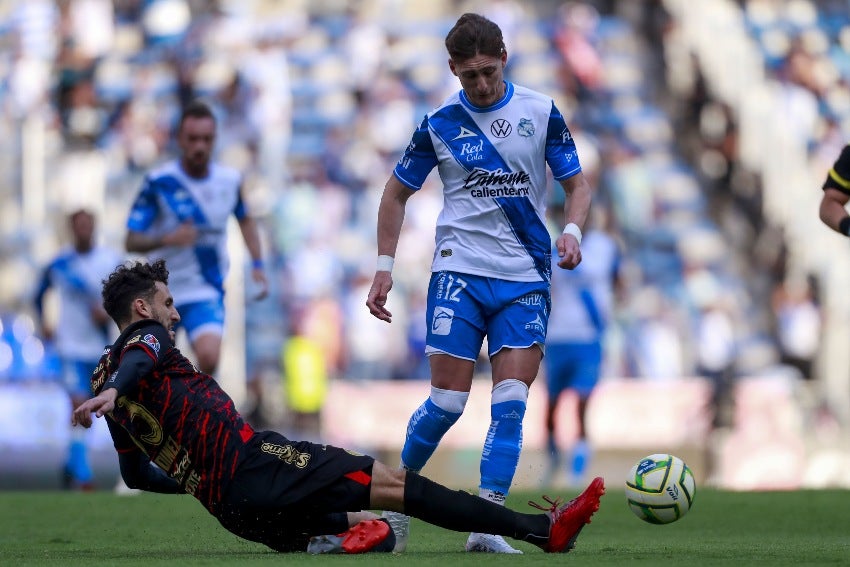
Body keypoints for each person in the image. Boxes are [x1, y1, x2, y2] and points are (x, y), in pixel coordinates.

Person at [71, 260, 605, 554]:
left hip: (231, 511)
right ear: (141, 308)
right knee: (398, 486)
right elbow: (140, 358)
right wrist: (118, 388)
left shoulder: (103, 377)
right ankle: (539, 532)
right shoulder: (139, 347)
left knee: (372, 529)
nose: (175, 314)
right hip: (256, 462)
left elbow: (136, 475)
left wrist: (194, 479)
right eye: (167, 303)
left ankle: (345, 538)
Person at [365, 13, 593, 554]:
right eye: (470, 76)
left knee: (511, 401)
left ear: (504, 59)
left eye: (488, 72)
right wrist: (384, 266)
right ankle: (397, 505)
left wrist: (573, 231)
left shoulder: (539, 111)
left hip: (524, 277)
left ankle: (486, 523)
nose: (482, 85)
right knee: (446, 403)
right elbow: (395, 194)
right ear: (453, 71)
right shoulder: (440, 124)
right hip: (459, 273)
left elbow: (576, 185)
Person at [124, 99, 269, 380]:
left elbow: (246, 221)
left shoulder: (230, 181)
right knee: (158, 371)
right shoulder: (159, 182)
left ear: (215, 140)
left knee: (210, 358)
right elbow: (131, 240)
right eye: (193, 139)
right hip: (162, 292)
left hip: (207, 287)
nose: (199, 146)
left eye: (206, 139)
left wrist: (258, 265)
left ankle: (193, 416)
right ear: (180, 139)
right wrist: (167, 238)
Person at [34, 209, 122, 490]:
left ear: (94, 226)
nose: (83, 230)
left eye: (87, 225)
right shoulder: (60, 264)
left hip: (100, 349)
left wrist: (108, 314)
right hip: (70, 346)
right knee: (77, 405)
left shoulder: (111, 261)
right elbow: (38, 294)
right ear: (72, 229)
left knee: (92, 412)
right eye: (78, 225)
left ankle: (71, 465)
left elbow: (126, 299)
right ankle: (84, 477)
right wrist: (43, 323)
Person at [543, 212, 621, 488]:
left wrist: (608, 314)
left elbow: (617, 281)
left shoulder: (605, 247)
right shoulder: (552, 246)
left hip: (589, 337)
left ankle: (577, 470)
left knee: (583, 403)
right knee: (551, 406)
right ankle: (552, 462)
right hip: (556, 336)